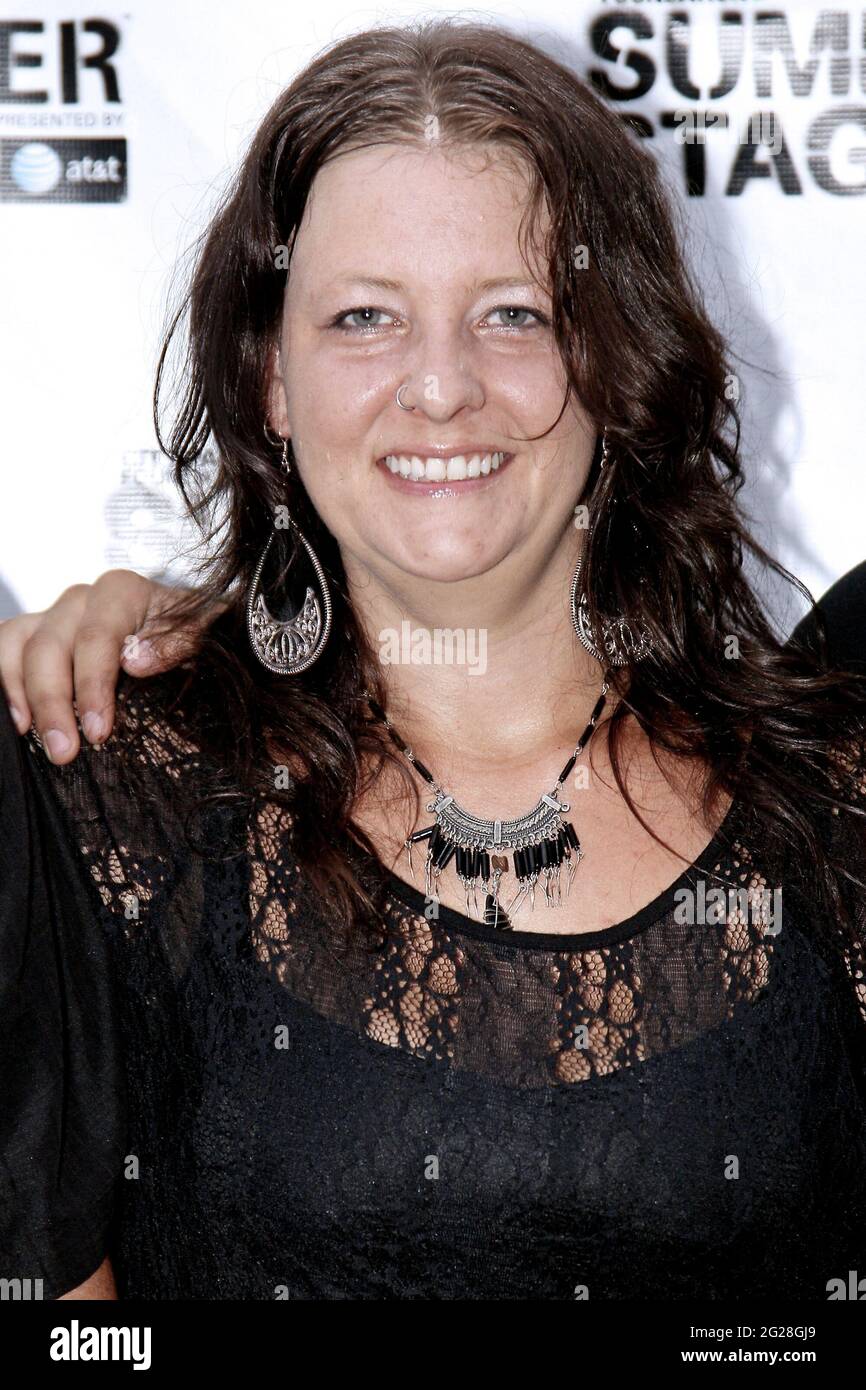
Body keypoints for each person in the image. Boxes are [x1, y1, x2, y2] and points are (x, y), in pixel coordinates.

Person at [3, 17, 866, 1301]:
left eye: (513, 313)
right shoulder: (102, 795)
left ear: (614, 356)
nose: (441, 386)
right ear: (270, 382)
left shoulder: (829, 788)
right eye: (364, 317)